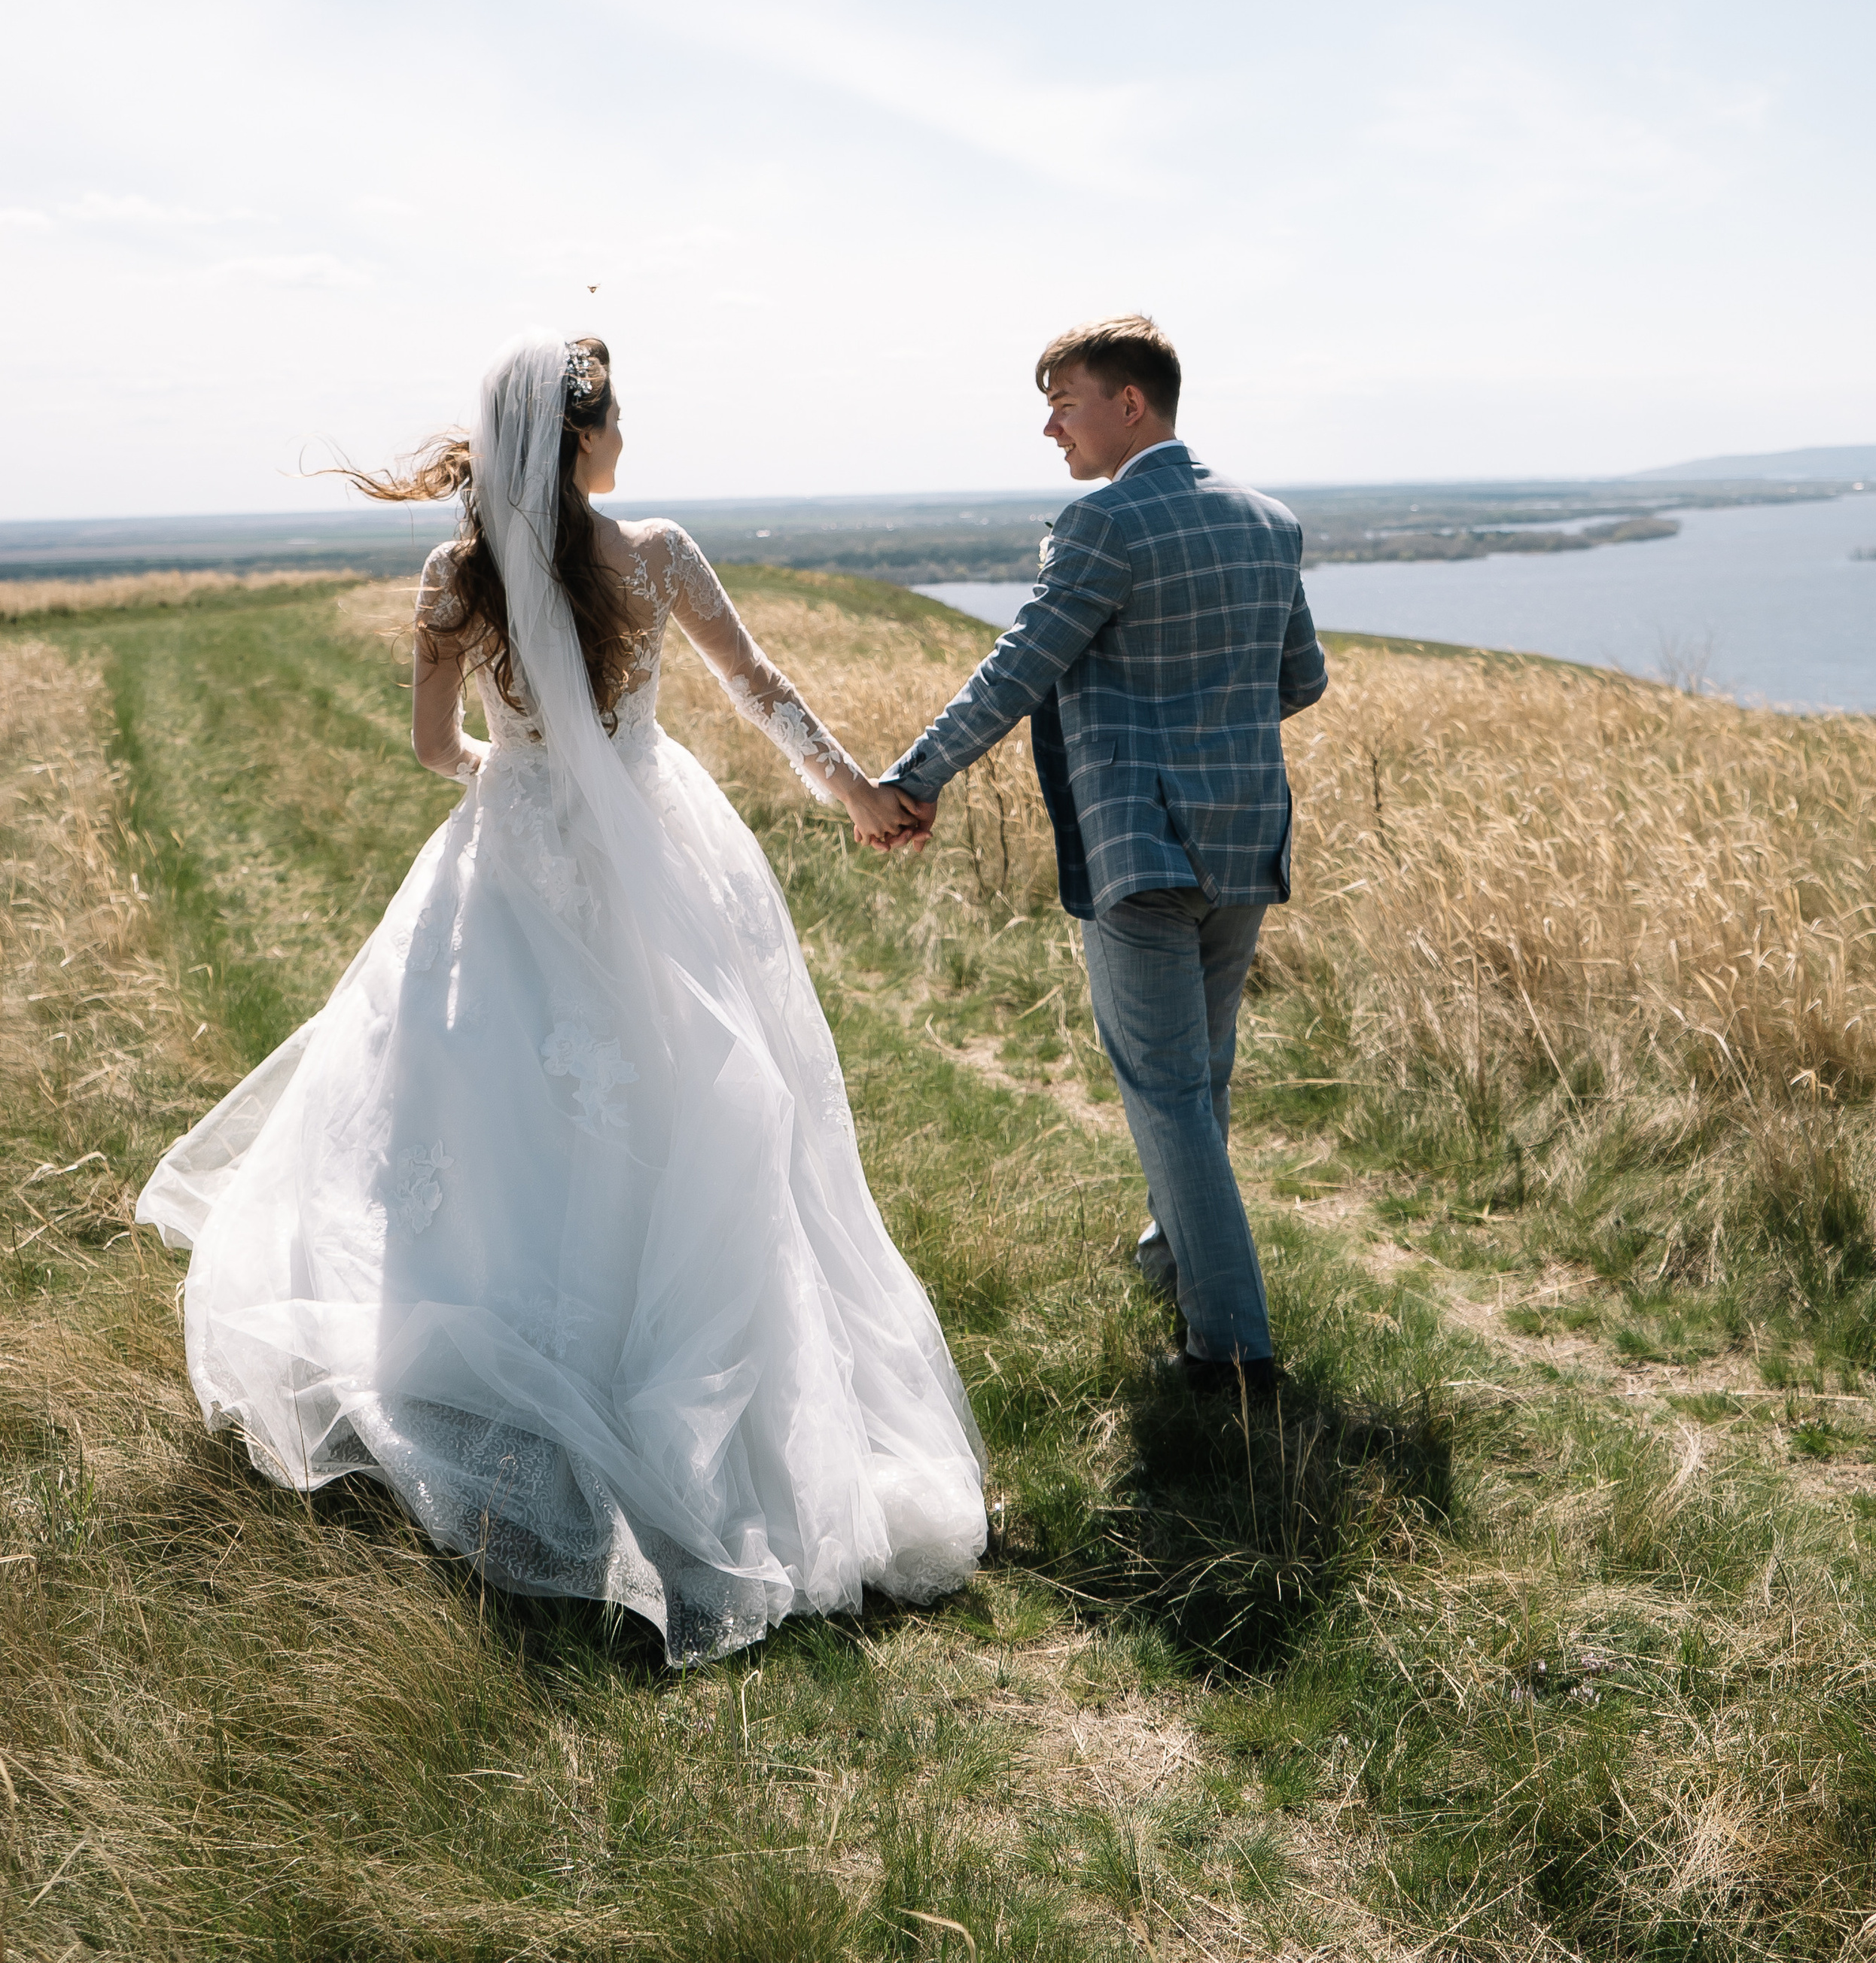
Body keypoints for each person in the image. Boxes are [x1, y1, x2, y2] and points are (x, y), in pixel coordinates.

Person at [136, 331, 984, 1663]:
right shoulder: (655, 554)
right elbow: (762, 693)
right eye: (617, 413)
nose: (629, 430)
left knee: (493, 1103)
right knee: (691, 1100)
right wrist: (859, 793)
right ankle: (695, 1402)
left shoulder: (455, 573)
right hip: (658, 844)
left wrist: (518, 775)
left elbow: (432, 748)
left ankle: (507, 1365)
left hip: (513, 854)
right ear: (584, 437)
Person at [882, 316, 1327, 1392]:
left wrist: (912, 776)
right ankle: (1174, 1258)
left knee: (1167, 1087)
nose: (1050, 427)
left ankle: (1232, 1353)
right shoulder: (1271, 520)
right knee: (1200, 1077)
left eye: (1066, 402)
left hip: (1140, 845)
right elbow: (1300, 679)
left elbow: (1015, 669)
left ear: (1133, 404)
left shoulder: (1104, 522)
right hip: (1246, 838)